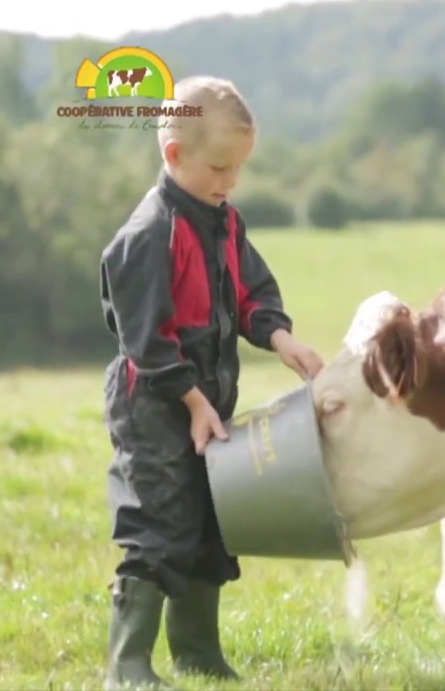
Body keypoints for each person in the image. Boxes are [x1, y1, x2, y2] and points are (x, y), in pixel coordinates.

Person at [98, 75, 324, 689]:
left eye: (239, 170)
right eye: (220, 168)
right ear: (175, 155)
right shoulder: (148, 236)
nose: (230, 183)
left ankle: (197, 655)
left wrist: (282, 340)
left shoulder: (225, 222)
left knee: (208, 520)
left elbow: (251, 291)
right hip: (155, 402)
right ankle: (127, 664)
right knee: (159, 520)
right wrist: (194, 400)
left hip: (207, 400)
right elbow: (145, 341)